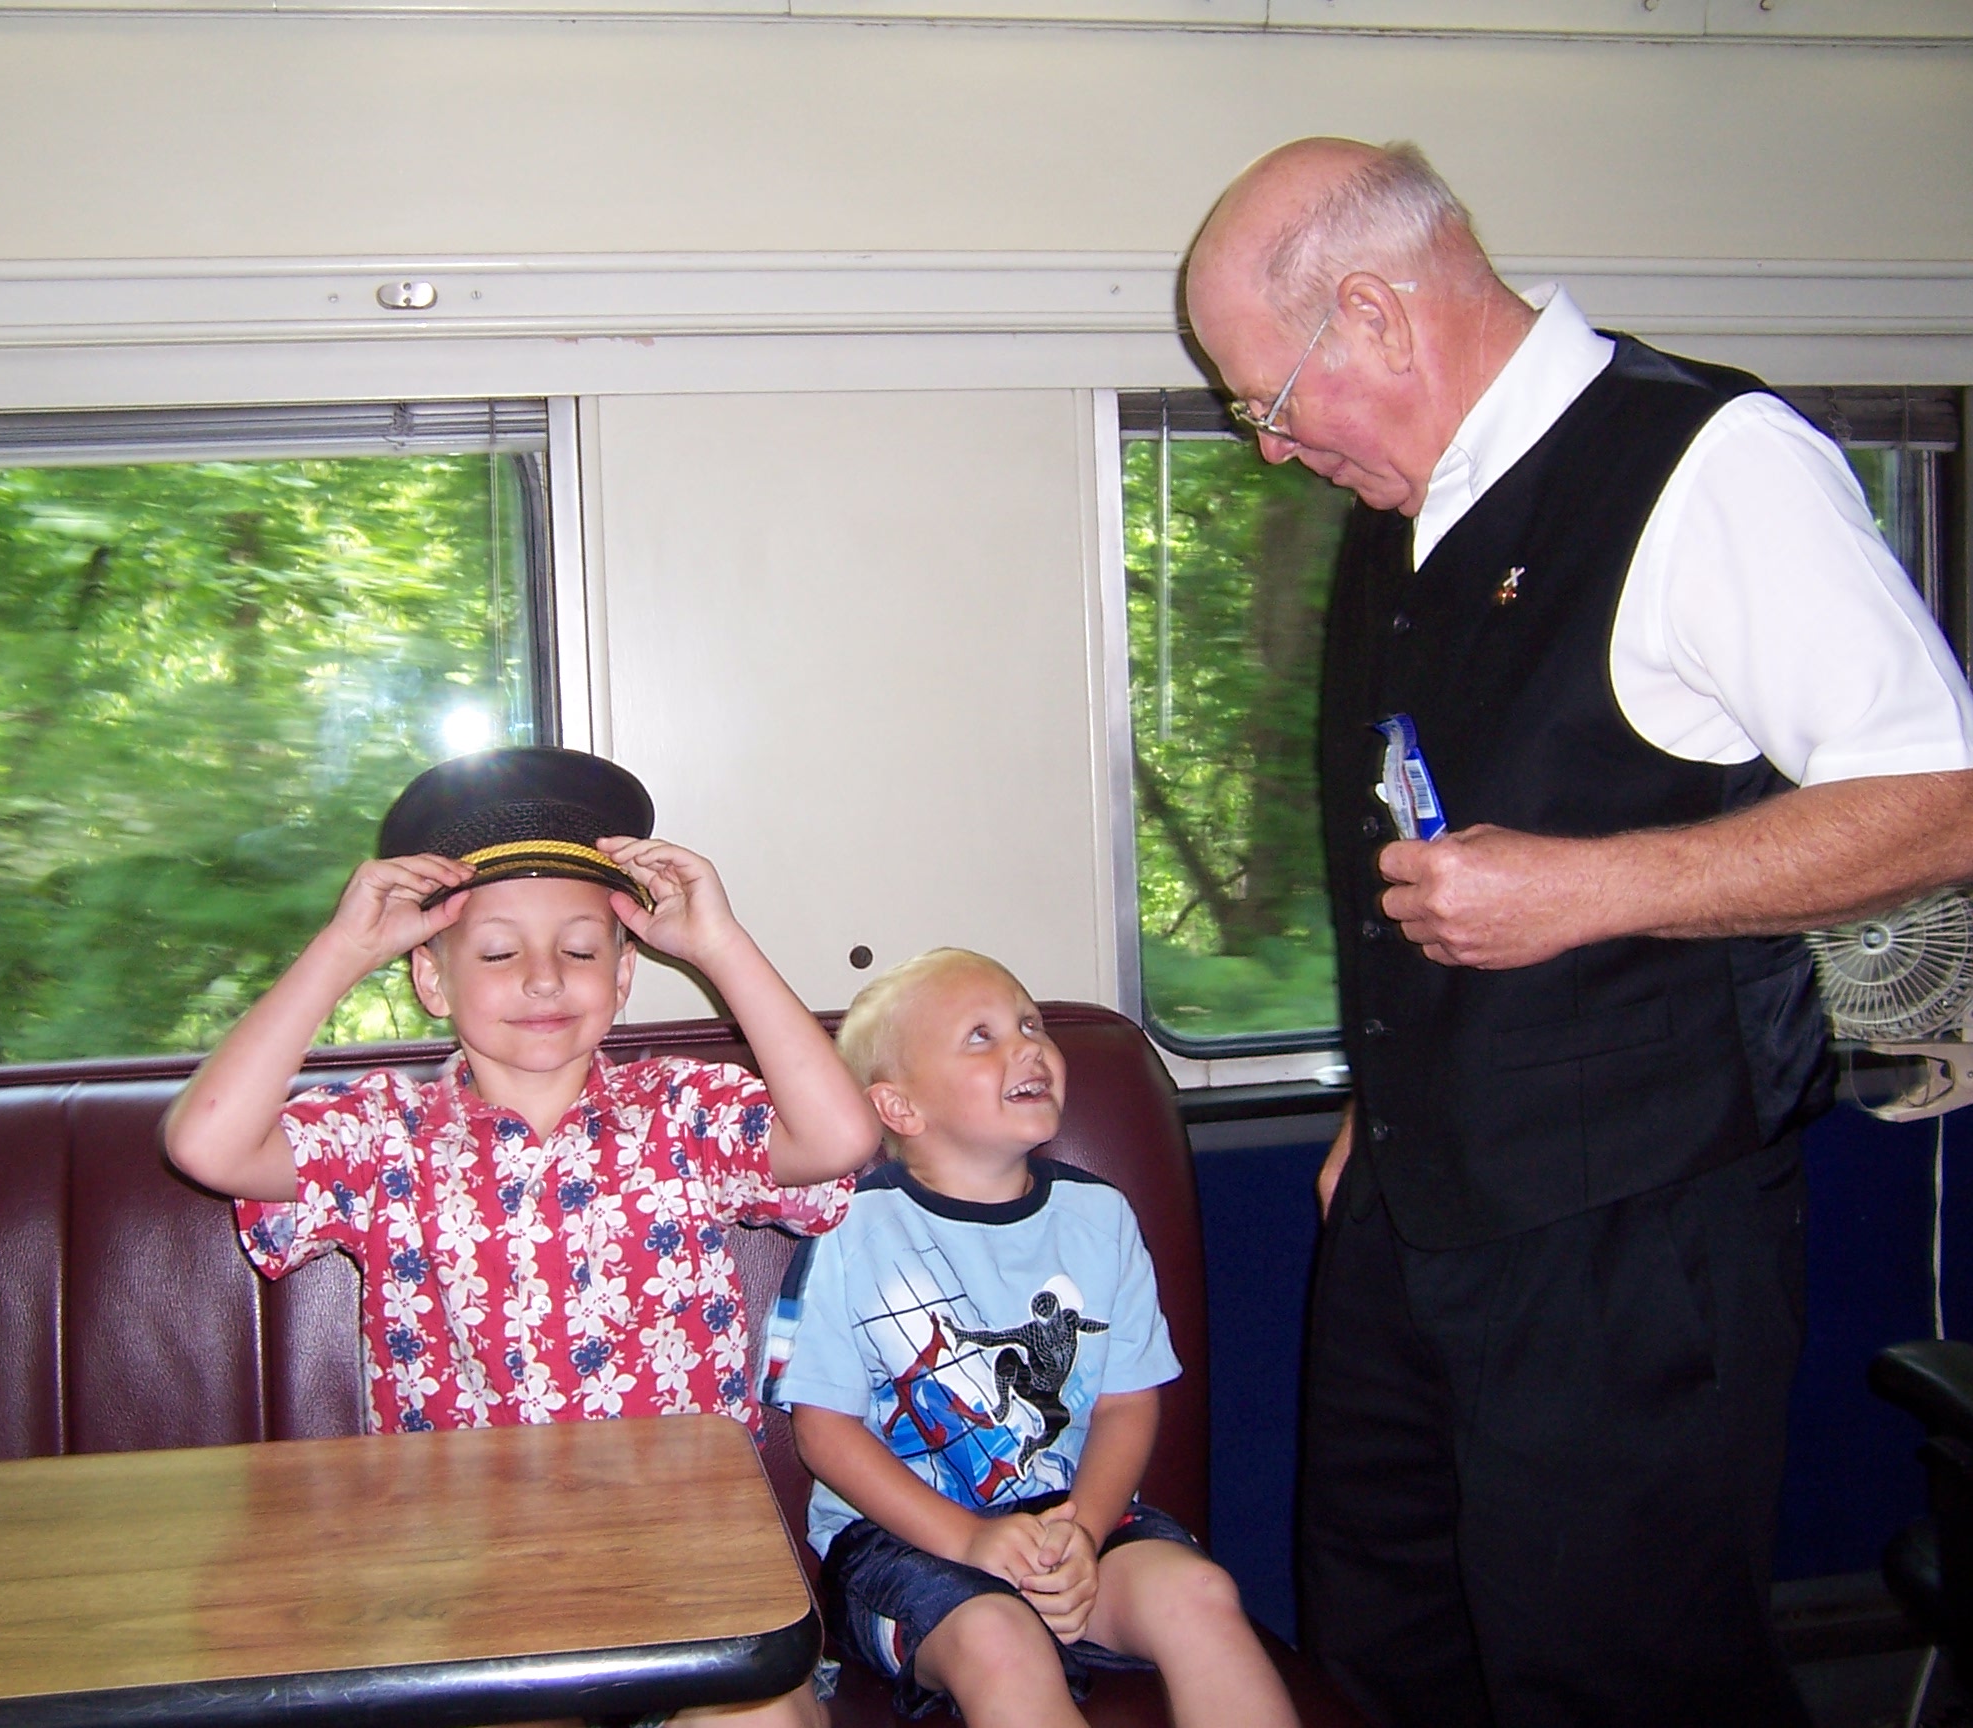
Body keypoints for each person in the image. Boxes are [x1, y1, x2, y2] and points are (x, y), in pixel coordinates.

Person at [1182, 138, 1973, 1727]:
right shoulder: (1407, 511)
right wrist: (1380, 1102)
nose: (1272, 451)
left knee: (1616, 1679)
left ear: (1374, 315)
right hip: (1415, 1201)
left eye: (1271, 404)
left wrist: (1591, 888)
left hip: (1631, 1219)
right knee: (1389, 1637)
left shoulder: (1710, 464)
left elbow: (1940, 800)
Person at [164, 745, 880, 1728]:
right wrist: (339, 952)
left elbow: (839, 1138)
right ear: (431, 978)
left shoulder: (683, 1112)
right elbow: (206, 1142)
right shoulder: (385, 1136)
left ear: (623, 976)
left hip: (692, 1558)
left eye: (580, 951)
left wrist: (721, 945)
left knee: (764, 1717)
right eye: (498, 954)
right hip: (471, 1574)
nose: (544, 978)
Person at [762, 948, 1298, 1728]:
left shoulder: (1101, 1218)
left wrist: (1085, 1528)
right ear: (900, 1108)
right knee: (1001, 1639)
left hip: (1072, 1518)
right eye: (980, 1037)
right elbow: (825, 1434)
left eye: (1031, 1024)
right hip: (904, 1542)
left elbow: (1126, 1405)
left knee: (1200, 1593)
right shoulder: (849, 1231)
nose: (1027, 1047)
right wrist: (970, 1542)